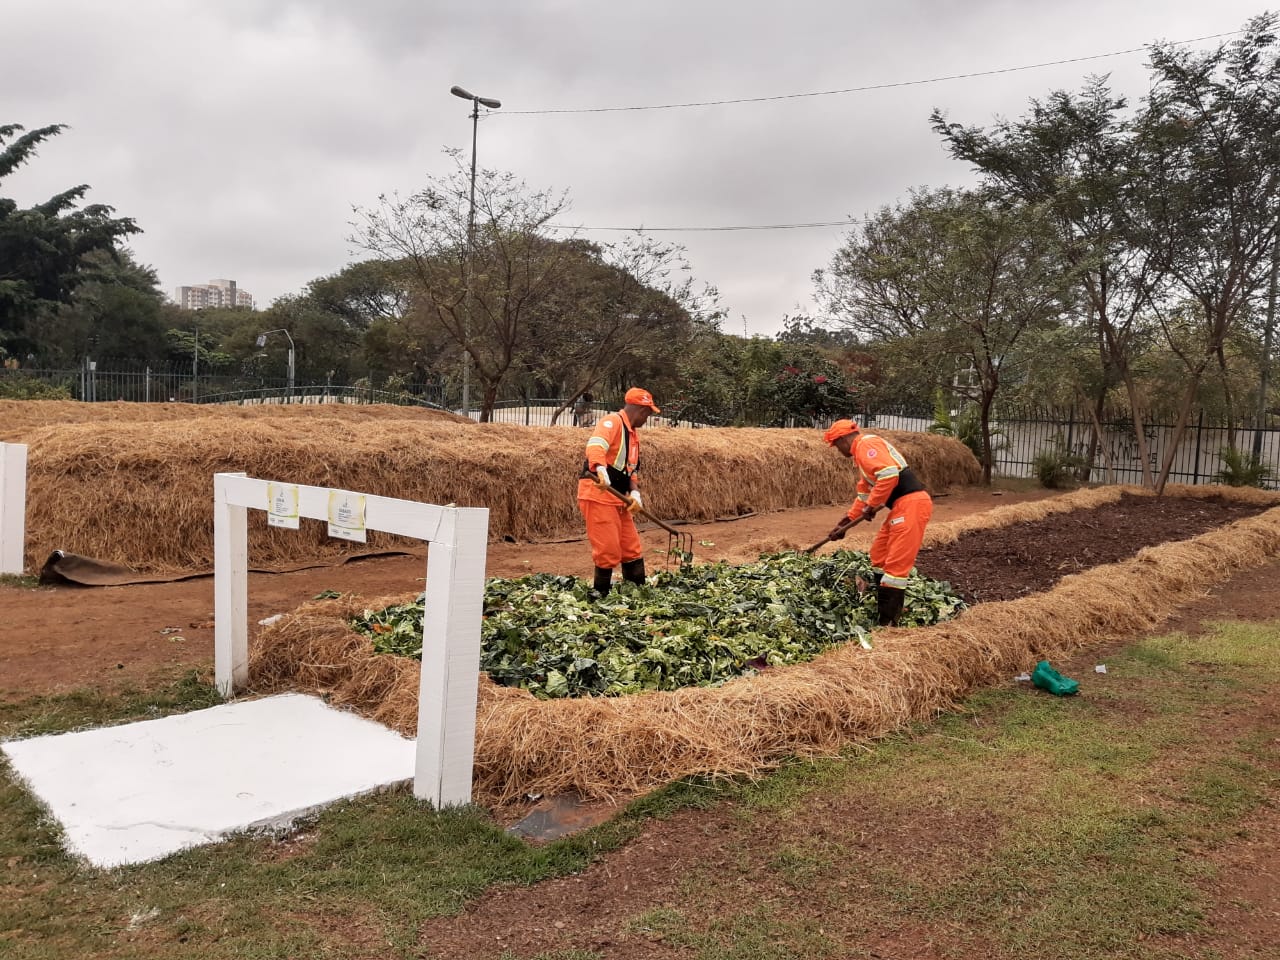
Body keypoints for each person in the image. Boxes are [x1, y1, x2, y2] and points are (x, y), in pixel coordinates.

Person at [821, 419, 933, 626]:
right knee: (879, 554)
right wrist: (845, 522)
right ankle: (882, 606)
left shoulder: (866, 444)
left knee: (896, 566)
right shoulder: (862, 460)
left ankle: (888, 623)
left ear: (844, 439)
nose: (838, 450)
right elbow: (864, 495)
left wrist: (872, 505)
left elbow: (889, 474)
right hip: (900, 507)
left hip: (912, 504)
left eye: (836, 445)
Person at [578, 387, 660, 596]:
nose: (647, 418)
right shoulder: (612, 422)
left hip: (619, 497)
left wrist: (635, 493)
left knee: (631, 548)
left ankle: (638, 594)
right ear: (641, 410)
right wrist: (600, 468)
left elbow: (631, 471)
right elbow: (596, 444)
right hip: (598, 493)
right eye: (648, 414)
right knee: (608, 549)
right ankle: (600, 596)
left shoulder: (633, 437)